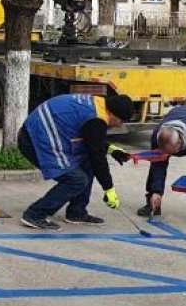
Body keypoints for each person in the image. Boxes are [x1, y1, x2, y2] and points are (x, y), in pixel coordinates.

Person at [18, 93, 135, 230]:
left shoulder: (99, 104)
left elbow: (92, 140)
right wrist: (108, 188)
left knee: (87, 163)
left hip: (44, 130)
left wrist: (112, 150)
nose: (119, 125)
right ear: (113, 114)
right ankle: (35, 214)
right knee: (76, 179)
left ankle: (76, 212)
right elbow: (97, 156)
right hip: (34, 139)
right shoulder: (96, 119)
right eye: (121, 121)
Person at [137, 105, 186, 227]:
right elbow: (158, 166)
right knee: (156, 164)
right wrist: (156, 191)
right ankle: (152, 204)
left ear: (179, 142)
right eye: (165, 152)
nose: (168, 155)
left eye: (171, 152)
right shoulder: (157, 137)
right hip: (177, 114)